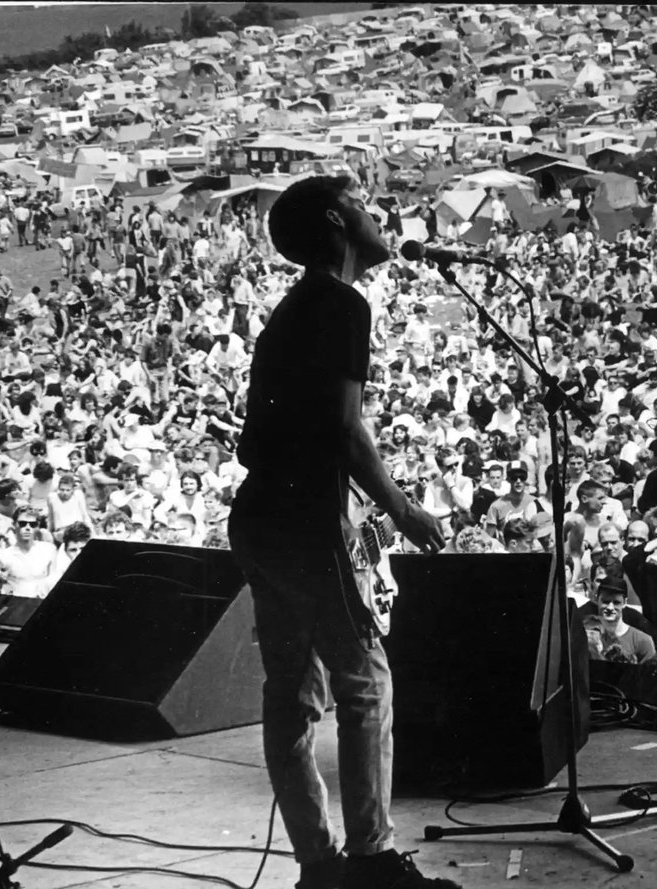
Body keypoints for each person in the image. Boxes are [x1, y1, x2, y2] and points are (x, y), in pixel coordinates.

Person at [226, 176, 454, 889]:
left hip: (262, 515)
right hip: (300, 518)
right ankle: (373, 859)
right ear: (337, 219)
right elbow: (345, 427)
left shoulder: (294, 308)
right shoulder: (341, 302)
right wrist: (404, 509)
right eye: (363, 203)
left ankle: (319, 865)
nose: (378, 215)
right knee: (365, 682)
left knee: (290, 694)